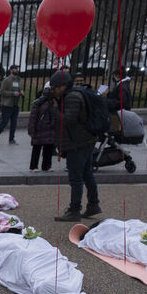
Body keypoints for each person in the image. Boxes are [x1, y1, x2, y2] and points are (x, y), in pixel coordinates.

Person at [50, 70, 101, 221]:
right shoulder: (73, 94)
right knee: (87, 174)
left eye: (55, 87)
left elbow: (67, 120)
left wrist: (54, 108)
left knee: (76, 177)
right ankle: (93, 204)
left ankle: (74, 210)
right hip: (84, 140)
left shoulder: (72, 97)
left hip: (78, 142)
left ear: (64, 85)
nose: (54, 90)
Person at [26, 83, 57, 173]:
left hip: (50, 129)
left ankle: (47, 166)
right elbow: (33, 117)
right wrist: (31, 129)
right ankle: (34, 166)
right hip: (40, 129)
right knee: (37, 148)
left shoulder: (55, 101)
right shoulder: (39, 102)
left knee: (49, 149)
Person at [0, 65, 23, 145]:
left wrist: (21, 92)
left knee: (14, 123)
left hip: (16, 105)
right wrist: (13, 93)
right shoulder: (6, 80)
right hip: (7, 105)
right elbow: (2, 92)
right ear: (11, 70)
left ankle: (11, 139)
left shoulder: (19, 79)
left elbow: (20, 89)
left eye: (17, 69)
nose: (17, 70)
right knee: (4, 122)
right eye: (15, 69)